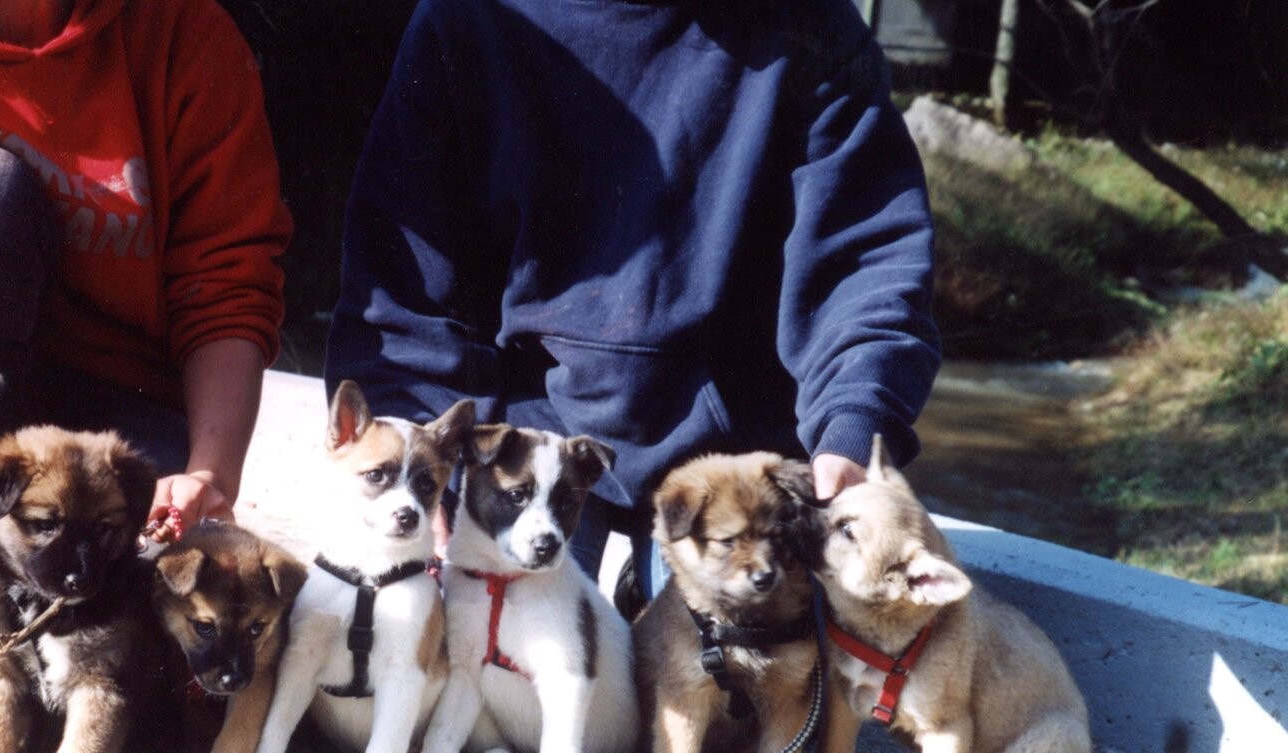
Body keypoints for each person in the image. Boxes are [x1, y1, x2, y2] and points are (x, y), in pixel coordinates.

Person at [325, 0, 941, 594]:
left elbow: (865, 257)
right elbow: (401, 279)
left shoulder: (811, 22)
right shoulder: (470, 15)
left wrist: (854, 426)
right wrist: (425, 471)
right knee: (476, 677)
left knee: (741, 681)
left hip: (740, 460)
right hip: (528, 445)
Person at [0, 0, 291, 533]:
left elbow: (227, 284)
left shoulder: (184, 30)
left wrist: (207, 477)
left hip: (107, 406)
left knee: (148, 562)